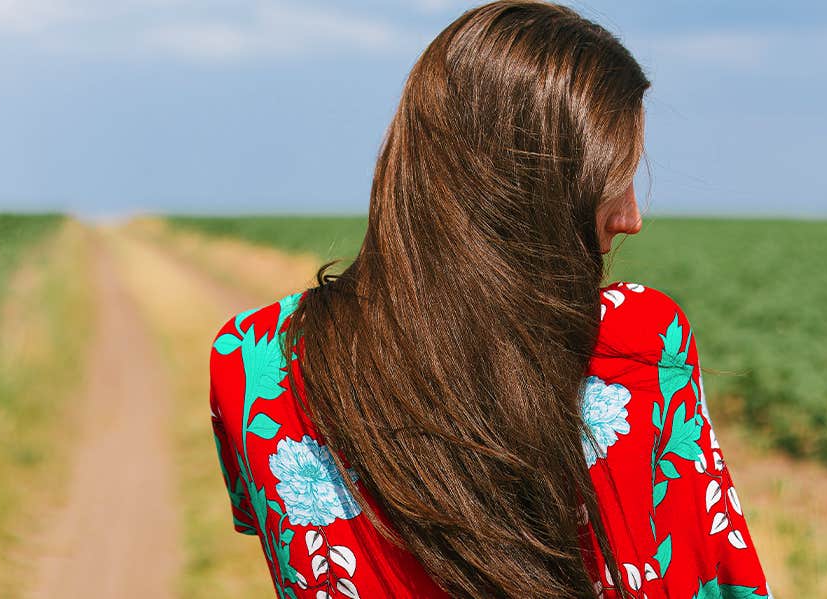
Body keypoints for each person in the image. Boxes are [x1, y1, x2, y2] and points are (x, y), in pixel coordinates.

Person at [208, 1, 771, 597]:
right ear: (527, 184)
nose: (630, 216)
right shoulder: (637, 338)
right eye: (611, 177)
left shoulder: (251, 362)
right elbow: (721, 579)